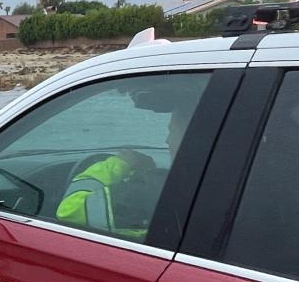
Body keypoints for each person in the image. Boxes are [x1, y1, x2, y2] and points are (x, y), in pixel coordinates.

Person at [55, 101, 196, 237]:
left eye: (172, 131)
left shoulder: (158, 193)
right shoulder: (201, 184)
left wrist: (121, 164)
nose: (167, 140)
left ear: (191, 138)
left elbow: (70, 210)